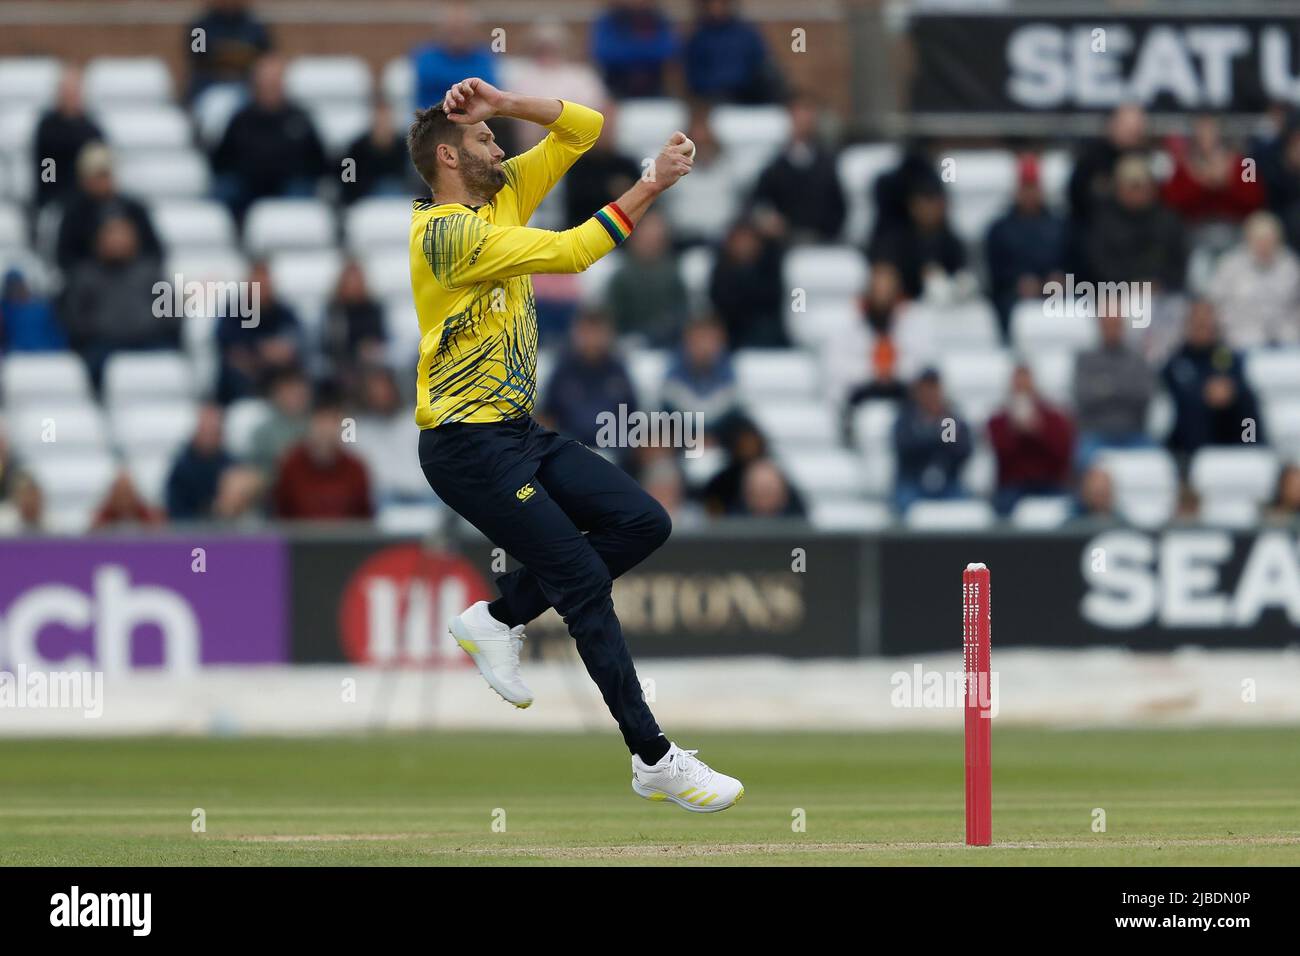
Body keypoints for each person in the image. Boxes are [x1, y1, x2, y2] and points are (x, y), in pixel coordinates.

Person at [406, 76, 743, 808]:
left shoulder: (496, 197)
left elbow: (583, 128)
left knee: (642, 521)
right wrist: (652, 184)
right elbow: (573, 253)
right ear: (449, 160)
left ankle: (497, 617)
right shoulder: (446, 232)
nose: (498, 141)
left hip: (517, 433)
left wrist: (499, 101)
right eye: (484, 137)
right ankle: (653, 757)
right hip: (466, 446)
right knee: (584, 584)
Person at [1161, 301, 1263, 460]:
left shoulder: (1227, 356)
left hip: (1229, 426)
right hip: (1192, 437)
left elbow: (1240, 383)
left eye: (1207, 322)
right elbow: (1175, 394)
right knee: (1192, 407)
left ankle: (1250, 447)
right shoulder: (1177, 361)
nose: (1203, 327)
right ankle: (1193, 462)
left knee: (1247, 399)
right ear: (1188, 325)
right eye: (1198, 323)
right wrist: (1204, 392)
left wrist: (1231, 391)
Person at [984, 154, 1066, 334]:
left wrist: (1059, 278)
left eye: (1033, 187)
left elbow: (1073, 262)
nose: (1030, 193)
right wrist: (1017, 282)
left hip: (1055, 292)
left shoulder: (1060, 225)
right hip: (1014, 296)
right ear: (1017, 189)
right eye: (1025, 187)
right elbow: (994, 272)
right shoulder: (999, 229)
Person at [750, 91, 846, 243]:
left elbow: (838, 207)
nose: (803, 118)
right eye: (798, 111)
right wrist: (766, 219)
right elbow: (758, 202)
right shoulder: (774, 166)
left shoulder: (828, 163)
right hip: (781, 243)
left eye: (808, 111)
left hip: (821, 241)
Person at [1072, 310, 1155, 467]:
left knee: (1159, 463)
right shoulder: (1085, 360)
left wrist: (1104, 386)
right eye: (1107, 325)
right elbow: (1083, 397)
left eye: (1115, 325)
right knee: (1082, 460)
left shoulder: (1137, 359)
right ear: (1100, 327)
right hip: (1095, 434)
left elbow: (1144, 396)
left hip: (1134, 434)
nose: (1112, 330)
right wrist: (1124, 386)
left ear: (1123, 327)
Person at [987, 365, 1074, 514]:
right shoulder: (999, 421)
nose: (1022, 390)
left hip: (1049, 483)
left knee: (1069, 506)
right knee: (1001, 507)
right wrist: (1015, 432)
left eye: (1026, 385)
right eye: (1018, 385)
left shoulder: (1054, 418)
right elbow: (1001, 455)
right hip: (1013, 485)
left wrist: (1038, 432)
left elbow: (1062, 455)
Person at [272, 395, 374, 520]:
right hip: (301, 538)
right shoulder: (290, 465)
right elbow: (282, 515)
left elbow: (364, 518)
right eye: (322, 421)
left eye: (334, 422)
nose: (327, 429)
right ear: (310, 424)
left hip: (346, 538)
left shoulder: (356, 468)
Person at [1207, 211, 1300, 348]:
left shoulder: (1291, 264)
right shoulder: (1230, 264)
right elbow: (1214, 302)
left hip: (1285, 332)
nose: (1265, 245)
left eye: (1270, 240)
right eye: (1260, 240)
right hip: (1239, 332)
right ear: (1248, 239)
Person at [892, 368, 972, 512]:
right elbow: (906, 449)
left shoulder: (949, 418)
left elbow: (958, 452)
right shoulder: (907, 418)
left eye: (934, 389)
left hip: (946, 482)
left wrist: (939, 428)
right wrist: (936, 436)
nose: (930, 394)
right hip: (913, 481)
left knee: (963, 505)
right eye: (926, 389)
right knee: (903, 503)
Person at [33, 64, 103, 212]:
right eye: (67, 92)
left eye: (75, 91)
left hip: (88, 199)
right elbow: (47, 163)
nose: (72, 97)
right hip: (56, 197)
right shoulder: (47, 128)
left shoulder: (92, 128)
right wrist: (50, 196)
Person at [683, 0, 782, 104]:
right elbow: (695, 77)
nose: (717, 7)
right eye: (712, 4)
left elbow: (762, 65)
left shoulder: (747, 34)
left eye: (721, 3)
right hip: (713, 98)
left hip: (747, 96)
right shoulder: (698, 38)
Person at [590, 0, 679, 99]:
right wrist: (647, 48)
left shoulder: (659, 19)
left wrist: (627, 49)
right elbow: (604, 52)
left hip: (654, 90)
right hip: (615, 89)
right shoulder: (609, 20)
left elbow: (668, 51)